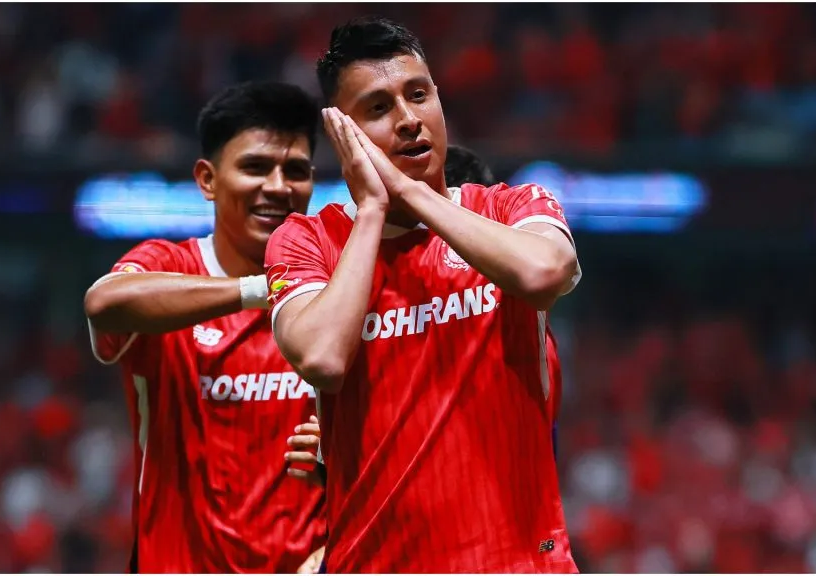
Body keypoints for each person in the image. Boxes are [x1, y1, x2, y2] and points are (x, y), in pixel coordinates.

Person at [265, 16, 581, 574]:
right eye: (379, 108)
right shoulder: (306, 240)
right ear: (344, 133)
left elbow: (545, 273)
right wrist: (372, 212)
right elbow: (322, 357)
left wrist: (412, 193)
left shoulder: (511, 207)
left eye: (418, 95)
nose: (409, 120)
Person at [83, 81, 326, 573]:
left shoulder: (334, 279)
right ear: (207, 179)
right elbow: (104, 302)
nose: (278, 187)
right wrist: (262, 289)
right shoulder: (168, 263)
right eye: (256, 167)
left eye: (294, 171)